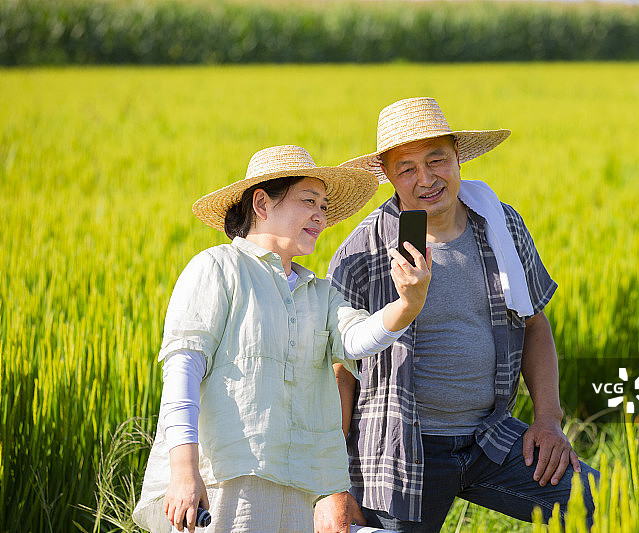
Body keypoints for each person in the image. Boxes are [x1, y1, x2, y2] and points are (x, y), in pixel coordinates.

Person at [321, 98, 599, 532]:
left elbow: (534, 323)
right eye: (407, 168)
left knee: (603, 504)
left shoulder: (500, 226)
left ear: (458, 159)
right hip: (399, 452)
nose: (426, 179)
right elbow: (338, 371)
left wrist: (547, 419)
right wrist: (332, 485)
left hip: (491, 438)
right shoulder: (363, 252)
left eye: (437, 160)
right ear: (390, 178)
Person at [132, 145, 432, 533]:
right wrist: (184, 472)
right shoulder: (219, 268)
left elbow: (358, 338)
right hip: (226, 482)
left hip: (300, 487)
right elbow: (182, 371)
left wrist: (409, 302)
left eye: (324, 207)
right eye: (310, 201)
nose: (321, 217)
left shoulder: (319, 292)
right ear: (261, 204)